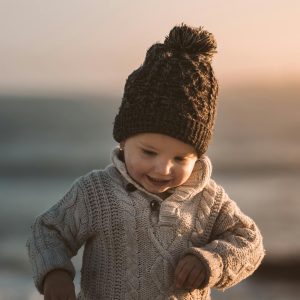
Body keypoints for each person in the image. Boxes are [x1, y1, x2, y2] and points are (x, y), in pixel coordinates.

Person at [27, 24, 265, 300]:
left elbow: (251, 243)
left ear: (197, 156)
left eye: (180, 158)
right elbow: (48, 230)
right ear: (124, 142)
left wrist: (212, 260)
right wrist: (55, 275)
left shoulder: (209, 200)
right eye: (149, 153)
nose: (163, 168)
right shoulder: (96, 192)